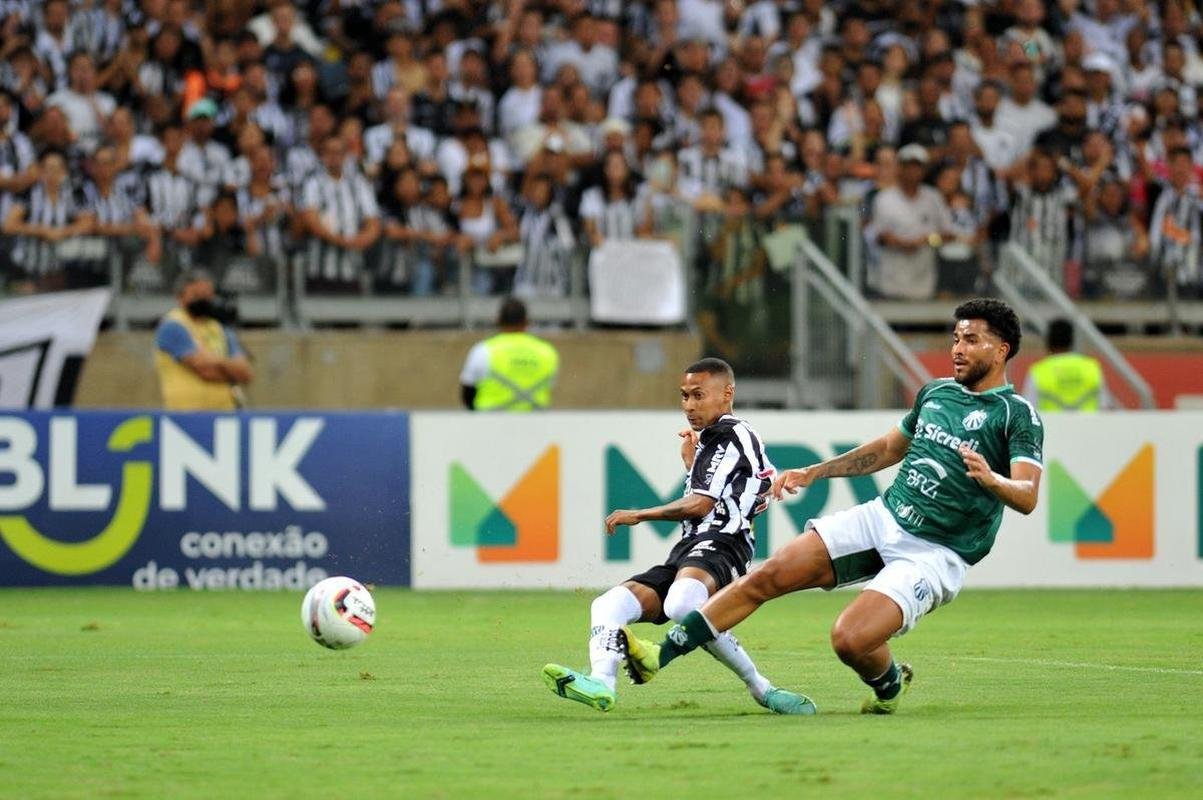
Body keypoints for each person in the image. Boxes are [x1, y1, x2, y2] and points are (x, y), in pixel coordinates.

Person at [622, 299, 1044, 715]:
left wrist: (993, 480)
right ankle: (661, 655)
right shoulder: (935, 394)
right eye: (955, 339)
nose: (957, 348)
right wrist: (816, 472)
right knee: (768, 574)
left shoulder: (1016, 415)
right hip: (884, 516)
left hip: (935, 552)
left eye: (971, 340)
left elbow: (1026, 494)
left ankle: (890, 683)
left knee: (850, 640)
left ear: (1001, 349)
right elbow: (886, 450)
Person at [541, 358, 814, 715]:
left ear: (727, 392)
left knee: (681, 605)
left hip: (724, 545)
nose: (688, 405)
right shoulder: (715, 441)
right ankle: (602, 683)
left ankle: (761, 688)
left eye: (698, 395)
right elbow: (737, 489)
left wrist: (640, 513)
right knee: (607, 606)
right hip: (689, 549)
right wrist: (692, 465)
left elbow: (700, 506)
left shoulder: (733, 432)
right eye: (684, 396)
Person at [154, 270, 254, 411]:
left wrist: (216, 360)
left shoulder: (220, 328)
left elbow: (246, 374)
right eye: (196, 295)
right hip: (186, 415)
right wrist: (231, 370)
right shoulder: (173, 326)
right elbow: (206, 371)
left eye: (207, 294)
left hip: (225, 414)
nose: (203, 299)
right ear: (180, 297)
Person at [459, 297, 559, 412]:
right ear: (527, 321)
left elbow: (467, 395)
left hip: (489, 423)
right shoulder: (547, 352)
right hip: (533, 423)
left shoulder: (483, 350)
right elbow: (548, 387)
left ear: (498, 320)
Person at [1023, 319, 1109, 411]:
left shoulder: (1038, 371)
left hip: (1051, 424)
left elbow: (1028, 412)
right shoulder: (1092, 367)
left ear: (1048, 342)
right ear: (1072, 341)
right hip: (1089, 425)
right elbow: (1104, 407)